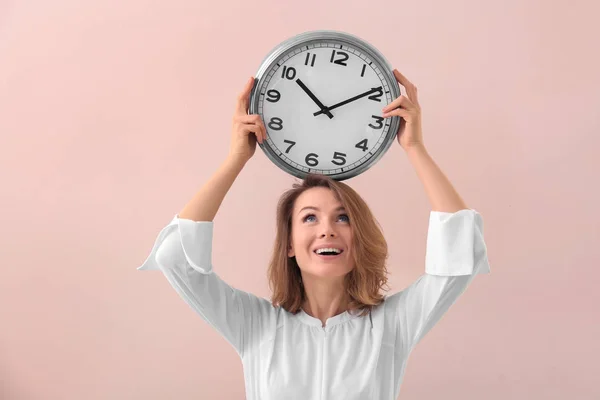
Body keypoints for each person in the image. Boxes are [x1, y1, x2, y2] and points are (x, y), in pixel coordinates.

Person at [137, 70, 491, 400]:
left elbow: (456, 259)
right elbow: (176, 258)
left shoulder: (391, 325)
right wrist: (236, 158)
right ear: (289, 244)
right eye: (309, 218)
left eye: (343, 218)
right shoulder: (257, 326)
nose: (327, 230)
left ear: (359, 238)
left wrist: (415, 148)